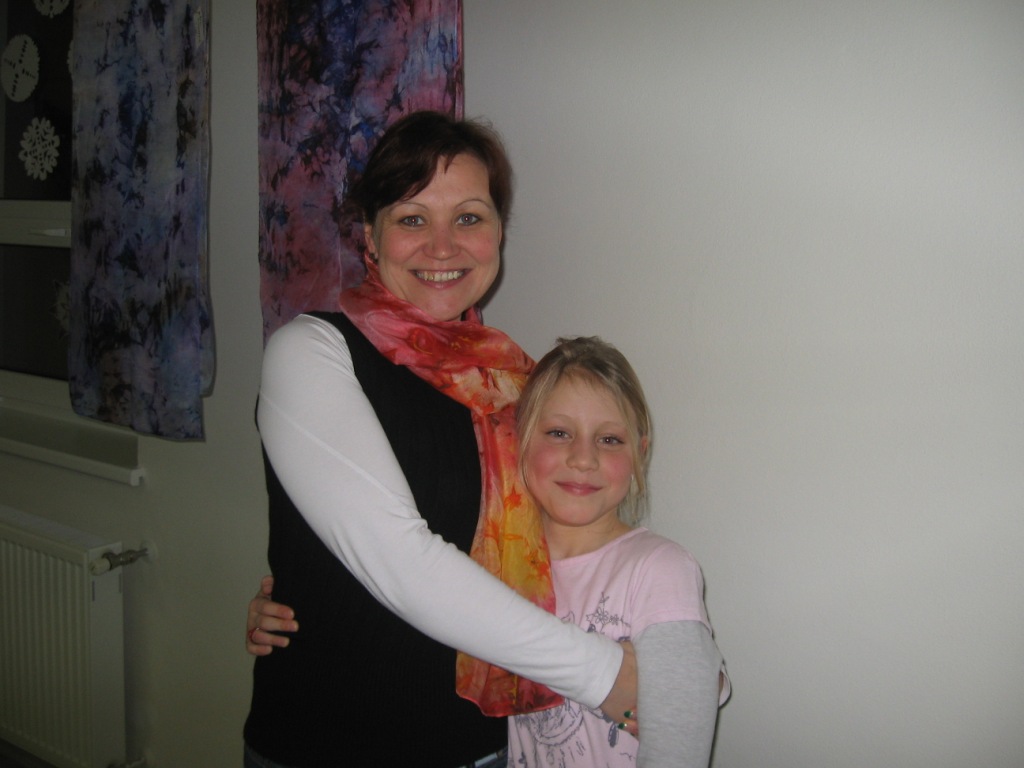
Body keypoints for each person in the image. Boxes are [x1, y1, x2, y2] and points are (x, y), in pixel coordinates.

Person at [242, 111, 637, 768]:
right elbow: (398, 558)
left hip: (490, 747)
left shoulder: (518, 386)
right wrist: (609, 675)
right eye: (412, 218)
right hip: (328, 744)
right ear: (370, 238)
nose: (443, 246)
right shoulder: (312, 352)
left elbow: (585, 548)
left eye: (469, 217)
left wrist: (674, 644)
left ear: (498, 233)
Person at [507, 336, 730, 767]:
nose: (583, 458)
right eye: (559, 433)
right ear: (520, 440)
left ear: (638, 455)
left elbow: (678, 747)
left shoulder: (660, 570)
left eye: (609, 439)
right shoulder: (505, 567)